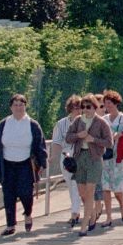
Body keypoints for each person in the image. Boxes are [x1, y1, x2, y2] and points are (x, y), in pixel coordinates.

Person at [0, 93, 48, 236]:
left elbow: (40, 145)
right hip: (7, 164)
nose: (18, 108)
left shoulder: (32, 124)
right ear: (11, 107)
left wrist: (43, 162)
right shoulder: (4, 124)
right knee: (9, 195)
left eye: (21, 105)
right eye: (16, 105)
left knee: (25, 193)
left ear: (25, 106)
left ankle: (28, 213)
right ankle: (10, 224)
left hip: (25, 164)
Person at [66, 94, 112, 235]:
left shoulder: (101, 122)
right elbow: (68, 137)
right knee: (82, 193)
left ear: (95, 107)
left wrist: (93, 139)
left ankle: (84, 224)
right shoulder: (78, 121)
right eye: (83, 107)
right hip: (80, 158)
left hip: (94, 159)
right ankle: (92, 214)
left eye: (89, 107)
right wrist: (78, 136)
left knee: (90, 190)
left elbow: (109, 142)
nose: (86, 110)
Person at [99, 89, 123, 226]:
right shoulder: (103, 120)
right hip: (106, 157)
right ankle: (108, 217)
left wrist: (120, 135)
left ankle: (122, 206)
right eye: (105, 103)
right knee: (105, 187)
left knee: (117, 190)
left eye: (109, 103)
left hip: (119, 157)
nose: (107, 106)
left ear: (115, 103)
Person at [52, 94, 84, 227]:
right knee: (71, 186)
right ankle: (76, 210)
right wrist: (52, 157)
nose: (78, 110)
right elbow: (56, 142)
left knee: (76, 185)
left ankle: (75, 213)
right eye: (75, 108)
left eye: (80, 108)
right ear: (70, 108)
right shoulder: (61, 124)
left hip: (81, 155)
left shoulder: (85, 122)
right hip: (66, 157)